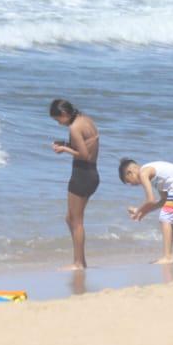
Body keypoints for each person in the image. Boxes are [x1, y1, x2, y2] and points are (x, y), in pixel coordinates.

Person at [50, 98, 100, 270]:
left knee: (76, 221)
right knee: (70, 219)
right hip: (91, 173)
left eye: (58, 120)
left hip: (82, 174)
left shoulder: (74, 127)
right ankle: (80, 261)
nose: (59, 123)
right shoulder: (86, 120)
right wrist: (65, 144)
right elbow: (86, 145)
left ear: (64, 114)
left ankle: (79, 263)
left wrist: (64, 149)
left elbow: (84, 155)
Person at [119, 158, 173, 264]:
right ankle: (168, 255)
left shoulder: (143, 173)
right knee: (166, 217)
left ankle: (168, 257)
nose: (131, 185)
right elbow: (163, 200)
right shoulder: (154, 177)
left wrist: (138, 211)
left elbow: (150, 200)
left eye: (128, 181)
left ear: (130, 173)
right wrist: (142, 212)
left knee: (165, 218)